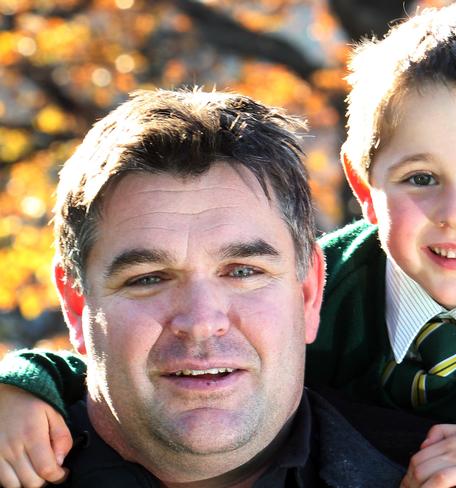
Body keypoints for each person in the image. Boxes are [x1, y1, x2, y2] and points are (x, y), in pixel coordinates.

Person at [1, 2, 456, 487]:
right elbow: (101, 368)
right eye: (421, 178)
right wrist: (21, 386)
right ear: (363, 186)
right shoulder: (341, 274)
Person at [0, 88, 408, 487]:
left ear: (308, 293)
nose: (200, 321)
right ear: (75, 303)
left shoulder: (428, 470)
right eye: (148, 278)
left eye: (243, 272)